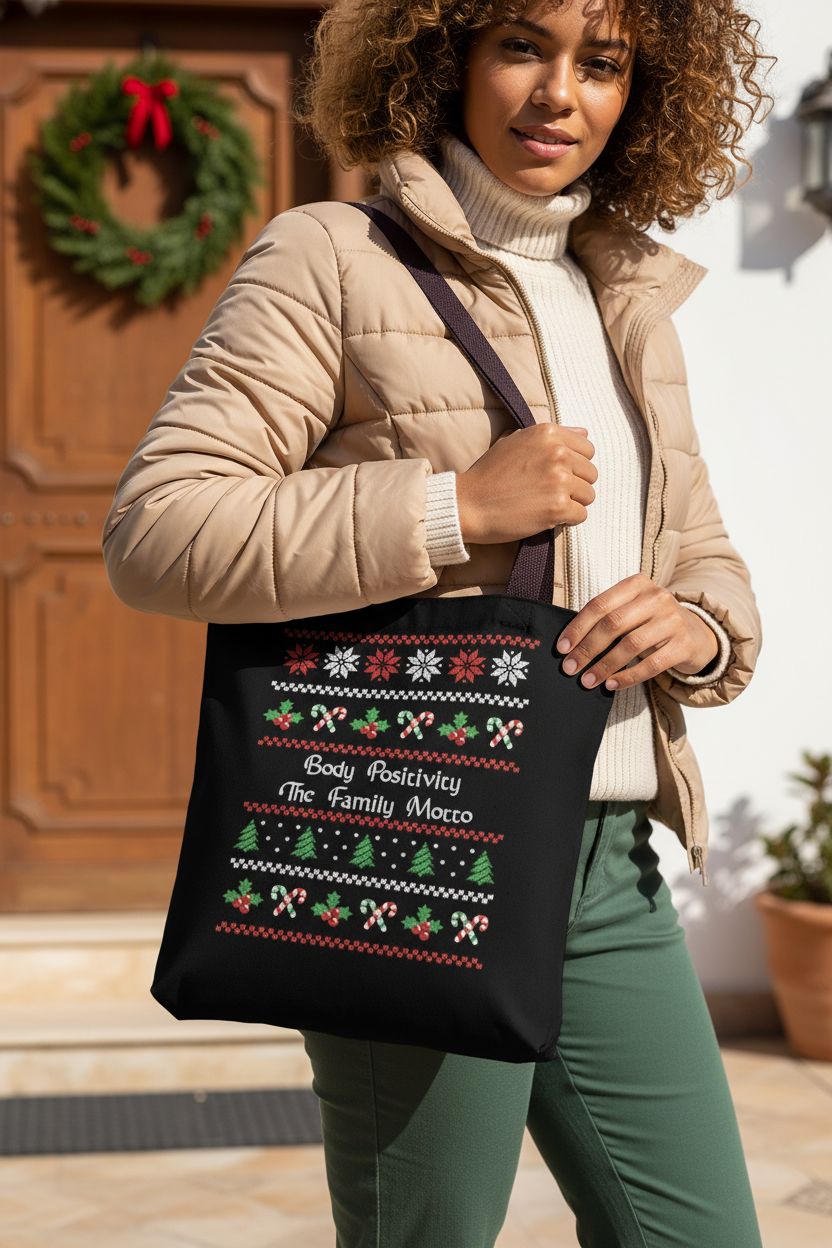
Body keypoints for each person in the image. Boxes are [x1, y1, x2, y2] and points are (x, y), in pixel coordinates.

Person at [102, 0, 774, 1242]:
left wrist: (700, 628)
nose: (559, 94)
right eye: (523, 46)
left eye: (604, 63)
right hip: (419, 849)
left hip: (607, 866)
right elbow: (160, 532)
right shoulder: (331, 256)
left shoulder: (622, 293)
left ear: (645, 90)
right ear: (445, 56)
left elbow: (703, 555)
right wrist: (454, 505)